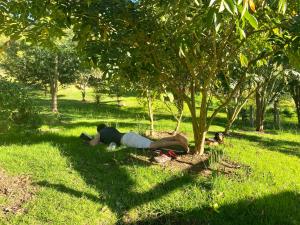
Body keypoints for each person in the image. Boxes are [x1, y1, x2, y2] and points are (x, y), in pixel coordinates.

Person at [80, 124, 189, 152]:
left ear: (99, 130)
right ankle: (175, 137)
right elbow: (112, 140)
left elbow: (93, 143)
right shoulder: (110, 129)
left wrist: (91, 140)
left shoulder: (101, 133)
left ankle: (178, 143)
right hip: (129, 135)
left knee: (153, 145)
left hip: (127, 140)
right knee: (155, 142)